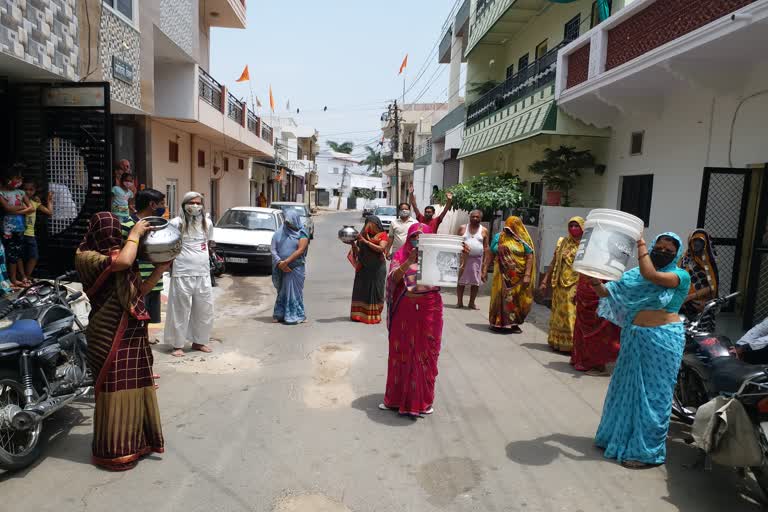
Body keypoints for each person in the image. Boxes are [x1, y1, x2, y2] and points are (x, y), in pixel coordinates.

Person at [74, 212, 169, 470]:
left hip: (131, 331)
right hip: (106, 333)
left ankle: (137, 444)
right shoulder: (87, 257)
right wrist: (135, 236)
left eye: (117, 232)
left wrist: (160, 269)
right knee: (114, 391)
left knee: (135, 388)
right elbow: (124, 261)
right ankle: (113, 451)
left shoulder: (120, 257)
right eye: (111, 232)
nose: (114, 237)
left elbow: (138, 293)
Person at [590, 232, 690, 469]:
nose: (663, 252)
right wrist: (594, 281)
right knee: (624, 390)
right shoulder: (634, 275)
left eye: (669, 250)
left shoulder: (679, 275)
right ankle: (614, 437)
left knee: (654, 396)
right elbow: (608, 293)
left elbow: (651, 274)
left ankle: (646, 452)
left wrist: (641, 243)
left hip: (663, 341)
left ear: (677, 255)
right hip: (635, 339)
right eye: (660, 247)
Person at [380, 223, 443, 416]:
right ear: (409, 237)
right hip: (404, 312)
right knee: (401, 352)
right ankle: (395, 399)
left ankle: (422, 401)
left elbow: (450, 277)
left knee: (426, 353)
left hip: (429, 312)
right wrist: (409, 261)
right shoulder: (400, 255)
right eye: (416, 236)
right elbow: (393, 279)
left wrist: (462, 256)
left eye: (423, 237)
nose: (418, 240)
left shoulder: (436, 256)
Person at [165, 192, 215, 357]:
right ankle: (177, 345)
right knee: (179, 310)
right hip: (182, 273)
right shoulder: (175, 223)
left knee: (204, 309)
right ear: (184, 204)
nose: (195, 206)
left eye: (198, 203)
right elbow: (169, 245)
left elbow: (208, 243)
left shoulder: (207, 223)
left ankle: (199, 341)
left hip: (203, 272)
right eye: (191, 202)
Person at [121, 188, 167, 332]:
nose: (164, 207)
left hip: (156, 279)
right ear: (152, 205)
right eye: (162, 203)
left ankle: (145, 338)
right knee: (135, 315)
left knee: (148, 316)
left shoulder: (160, 224)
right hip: (137, 281)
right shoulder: (127, 225)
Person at [540, 217, 584, 352]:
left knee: (572, 313)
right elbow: (553, 262)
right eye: (571, 226)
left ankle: (572, 345)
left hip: (576, 284)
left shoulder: (586, 245)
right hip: (559, 285)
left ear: (583, 227)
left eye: (577, 226)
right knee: (559, 314)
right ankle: (557, 341)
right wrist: (544, 280)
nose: (573, 229)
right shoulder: (562, 242)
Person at [486, 216, 535, 332]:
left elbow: (529, 257)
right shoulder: (499, 237)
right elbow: (492, 251)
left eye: (513, 225)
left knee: (516, 299)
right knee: (501, 297)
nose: (509, 228)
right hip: (502, 275)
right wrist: (485, 268)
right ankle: (498, 322)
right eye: (508, 225)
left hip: (518, 276)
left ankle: (514, 323)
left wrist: (527, 274)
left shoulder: (523, 240)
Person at [570, 275, 621, 375]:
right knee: (582, 329)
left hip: (597, 295)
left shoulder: (607, 260)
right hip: (584, 295)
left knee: (598, 330)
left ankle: (598, 365)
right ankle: (582, 360)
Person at [271, 209, 310, 324]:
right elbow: (273, 249)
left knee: (295, 292)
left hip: (296, 267)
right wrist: (279, 263)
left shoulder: (302, 232)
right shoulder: (279, 233)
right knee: (282, 291)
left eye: (290, 222)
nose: (288, 225)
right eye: (287, 222)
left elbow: (301, 250)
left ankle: (297, 315)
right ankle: (279, 314)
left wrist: (286, 262)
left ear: (296, 221)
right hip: (282, 267)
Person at [349, 215, 388, 324]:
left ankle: (373, 315)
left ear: (377, 225)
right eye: (368, 225)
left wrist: (366, 241)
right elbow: (358, 252)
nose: (369, 228)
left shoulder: (383, 235)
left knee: (376, 291)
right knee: (361, 290)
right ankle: (358, 315)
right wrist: (353, 244)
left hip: (377, 268)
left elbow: (381, 249)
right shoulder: (362, 235)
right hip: (364, 267)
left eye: (372, 226)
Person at [679, 229, 719, 332]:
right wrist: (680, 298)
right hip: (682, 303)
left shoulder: (710, 262)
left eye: (700, 241)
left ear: (706, 243)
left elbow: (712, 286)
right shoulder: (685, 258)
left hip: (701, 304)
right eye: (694, 240)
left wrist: (690, 297)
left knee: (700, 336)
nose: (697, 244)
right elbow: (677, 278)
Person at [0, 169, 34, 287]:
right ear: (8, 180)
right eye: (17, 178)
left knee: (16, 253)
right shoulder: (1, 193)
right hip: (7, 229)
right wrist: (22, 208)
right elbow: (7, 209)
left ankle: (15, 278)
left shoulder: (21, 192)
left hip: (20, 228)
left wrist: (18, 209)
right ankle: (12, 279)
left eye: (21, 178)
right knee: (9, 253)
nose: (20, 181)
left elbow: (32, 208)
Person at [457, 210, 488, 310]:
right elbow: (456, 242)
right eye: (473, 216)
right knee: (461, 281)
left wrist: (485, 264)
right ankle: (459, 302)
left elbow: (486, 247)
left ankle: (471, 303)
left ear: (480, 218)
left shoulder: (484, 230)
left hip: (477, 260)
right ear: (469, 217)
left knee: (475, 282)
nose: (475, 218)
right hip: (463, 259)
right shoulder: (462, 228)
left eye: (477, 217)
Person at [21, 180, 53, 279]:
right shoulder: (19, 200)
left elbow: (49, 212)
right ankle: (23, 276)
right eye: (25, 189)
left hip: (30, 234)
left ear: (35, 191)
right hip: (19, 232)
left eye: (31, 190)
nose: (28, 192)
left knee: (33, 256)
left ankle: (27, 275)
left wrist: (49, 201)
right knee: (18, 256)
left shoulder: (35, 202)